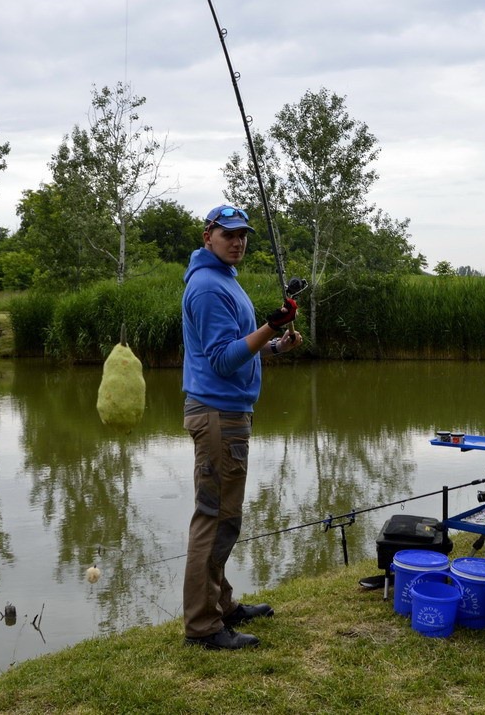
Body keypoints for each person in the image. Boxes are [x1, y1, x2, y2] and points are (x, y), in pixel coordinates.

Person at [181, 204, 302, 650]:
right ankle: (202, 626)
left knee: (224, 517)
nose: (237, 242)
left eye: (243, 235)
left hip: (226, 412)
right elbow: (221, 359)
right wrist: (270, 323)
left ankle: (222, 605)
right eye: (228, 234)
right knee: (214, 519)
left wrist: (273, 344)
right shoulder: (210, 288)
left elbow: (236, 347)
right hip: (218, 417)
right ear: (208, 234)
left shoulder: (222, 280)